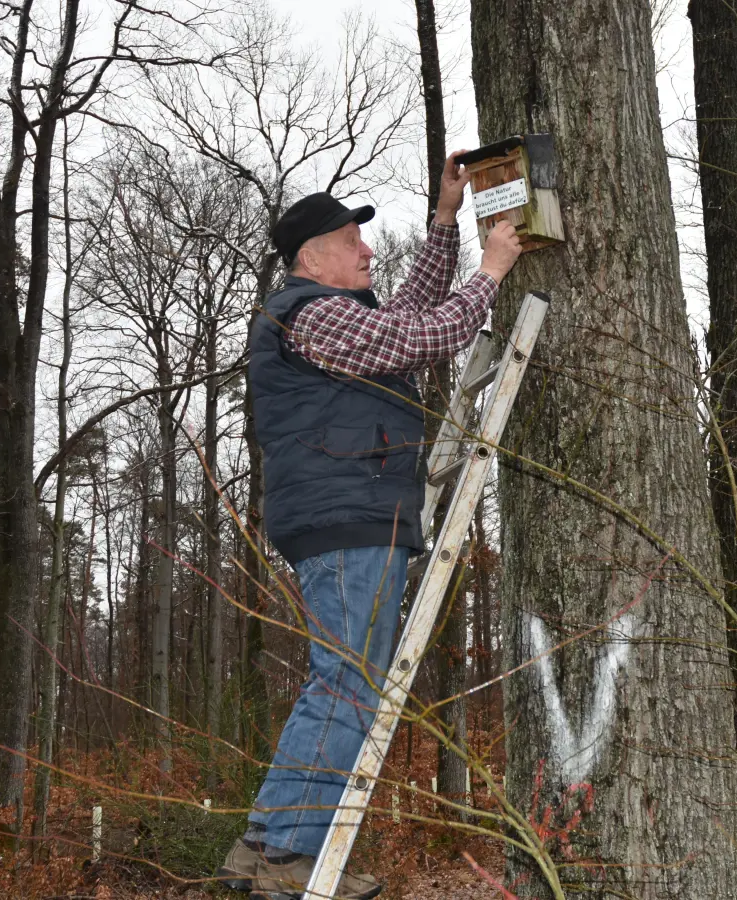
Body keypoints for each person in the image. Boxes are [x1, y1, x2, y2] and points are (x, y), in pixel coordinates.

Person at [216, 153, 523, 900]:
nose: (365, 250)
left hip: (348, 512)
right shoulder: (311, 313)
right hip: (345, 516)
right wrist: (491, 273)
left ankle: (264, 845)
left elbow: (405, 314)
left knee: (338, 682)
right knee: (350, 687)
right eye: (352, 240)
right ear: (312, 256)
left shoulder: (333, 313)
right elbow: (419, 339)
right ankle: (292, 856)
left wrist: (446, 221)